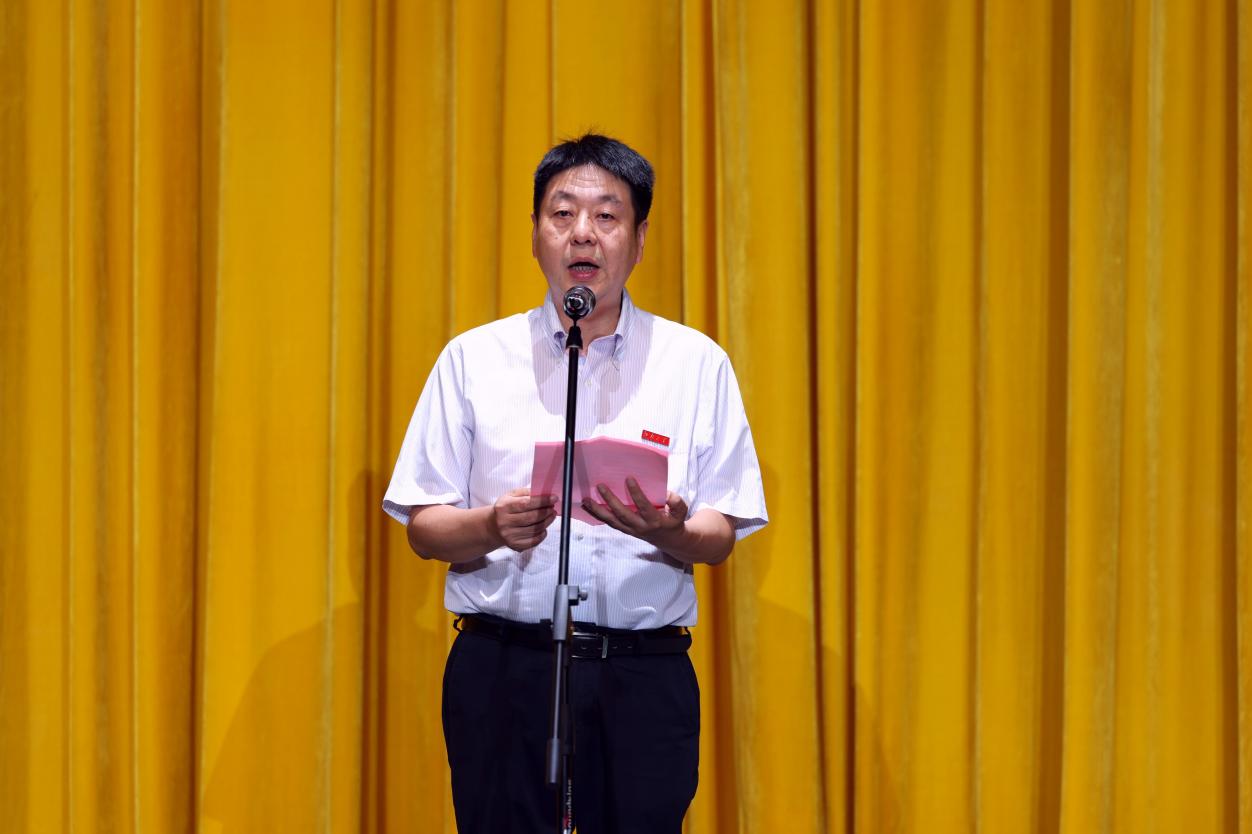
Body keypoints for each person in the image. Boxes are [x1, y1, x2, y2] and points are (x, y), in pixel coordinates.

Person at [382, 133, 767, 834]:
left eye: (607, 215)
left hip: (641, 676)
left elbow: (720, 535)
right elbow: (424, 527)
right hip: (504, 669)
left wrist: (671, 531)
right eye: (561, 213)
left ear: (640, 240)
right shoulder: (473, 359)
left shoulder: (695, 364)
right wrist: (490, 526)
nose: (582, 232)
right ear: (535, 234)